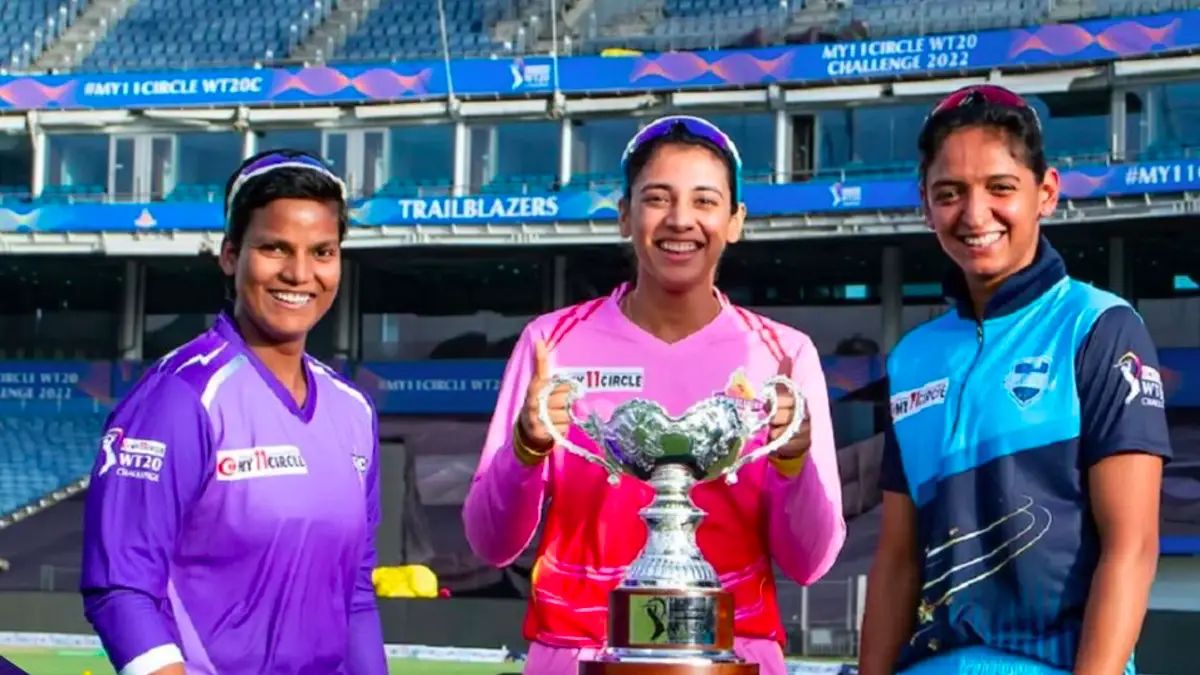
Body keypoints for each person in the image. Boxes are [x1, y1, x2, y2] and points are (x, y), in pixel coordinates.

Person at [463, 115, 847, 675]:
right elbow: (490, 543)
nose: (681, 220)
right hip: (577, 654)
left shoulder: (783, 356)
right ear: (625, 215)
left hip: (732, 655)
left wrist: (793, 462)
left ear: (736, 221)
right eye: (658, 198)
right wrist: (524, 451)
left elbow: (809, 562)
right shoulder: (552, 344)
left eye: (705, 201)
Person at [858, 85, 1171, 675]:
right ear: (926, 204)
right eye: (950, 194)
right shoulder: (911, 359)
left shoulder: (1098, 327)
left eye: (1000, 188)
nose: (975, 216)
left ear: (1045, 192)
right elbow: (898, 560)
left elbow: (1131, 549)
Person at [80, 150, 387, 675]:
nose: (299, 273)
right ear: (229, 255)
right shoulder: (179, 397)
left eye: (323, 252)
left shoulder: (354, 410)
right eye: (274, 248)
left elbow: (354, 594)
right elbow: (121, 589)